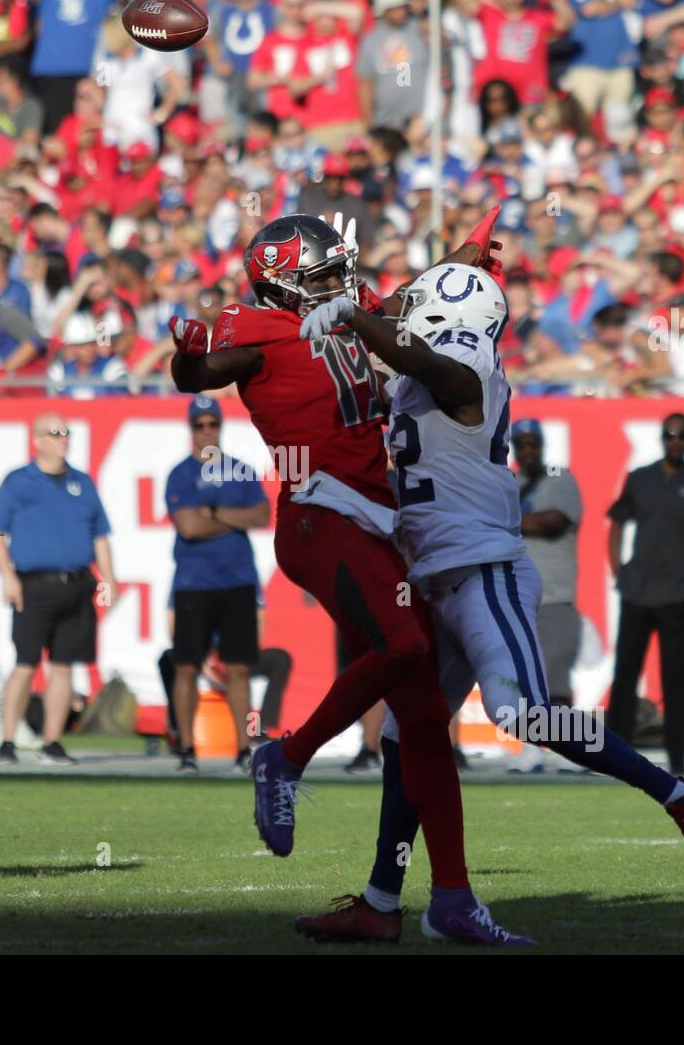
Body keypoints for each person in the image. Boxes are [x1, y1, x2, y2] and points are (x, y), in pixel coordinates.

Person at [290, 260, 684, 944]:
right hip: (435, 577)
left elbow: (436, 368)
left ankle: (680, 795)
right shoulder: (413, 376)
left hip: (483, 568)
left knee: (520, 711)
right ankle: (383, 900)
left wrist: (358, 319)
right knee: (411, 734)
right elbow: (387, 372)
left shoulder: (469, 370)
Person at [172, 208, 522, 945]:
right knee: (404, 645)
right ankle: (285, 755)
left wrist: (465, 256)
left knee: (425, 717)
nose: (343, 283)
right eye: (326, 274)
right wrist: (184, 358)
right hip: (319, 510)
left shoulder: (347, 306)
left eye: (341, 269)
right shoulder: (254, 325)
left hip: (378, 514)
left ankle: (440, 896)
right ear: (282, 285)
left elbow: (401, 303)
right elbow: (199, 373)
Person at [0, 413, 118, 765]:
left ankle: (52, 742)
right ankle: (9, 740)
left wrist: (109, 577)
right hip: (34, 585)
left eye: (66, 432)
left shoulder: (82, 482)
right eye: (55, 432)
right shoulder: (19, 481)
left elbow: (100, 535)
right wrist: (9, 577)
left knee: (63, 666)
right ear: (38, 439)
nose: (63, 439)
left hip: (75, 584)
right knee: (26, 664)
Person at [606, 413, 684, 776]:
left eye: (682, 436)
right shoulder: (640, 478)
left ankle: (678, 759)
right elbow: (616, 522)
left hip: (677, 594)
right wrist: (618, 569)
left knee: (676, 682)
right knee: (625, 675)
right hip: (638, 590)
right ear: (662, 438)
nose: (675, 441)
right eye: (670, 435)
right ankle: (615, 757)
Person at [165, 394, 270, 774]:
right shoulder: (180, 474)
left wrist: (212, 512)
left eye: (213, 424)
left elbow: (262, 514)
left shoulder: (241, 470)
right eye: (200, 424)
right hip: (194, 584)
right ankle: (187, 748)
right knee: (187, 668)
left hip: (238, 581)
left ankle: (245, 747)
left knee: (239, 668)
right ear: (191, 428)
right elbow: (188, 527)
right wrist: (232, 519)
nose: (207, 430)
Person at [509, 417, 583, 772]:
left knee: (555, 675)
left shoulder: (559, 477)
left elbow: (554, 521)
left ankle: (567, 748)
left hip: (554, 591)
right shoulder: (507, 482)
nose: (528, 450)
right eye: (520, 444)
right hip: (516, 593)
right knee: (523, 676)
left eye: (533, 443)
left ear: (542, 445)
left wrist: (505, 518)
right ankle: (532, 748)